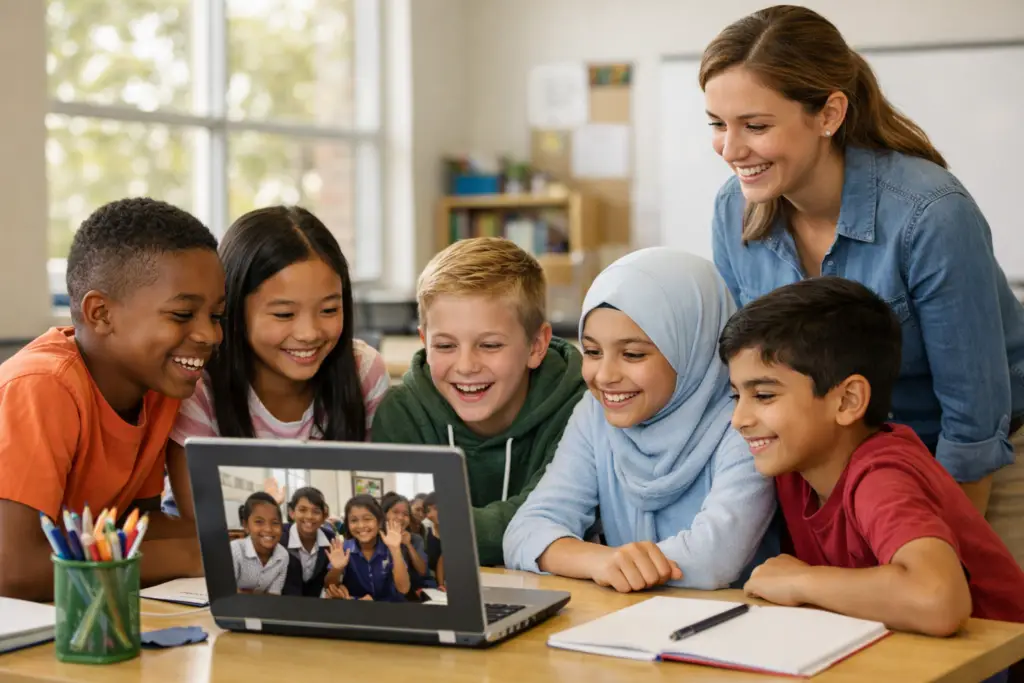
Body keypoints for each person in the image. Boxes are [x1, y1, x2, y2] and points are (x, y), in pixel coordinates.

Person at [701, 5, 1024, 566]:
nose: (730, 150)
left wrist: (942, 561)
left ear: (829, 114)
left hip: (978, 464)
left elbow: (973, 424)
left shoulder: (930, 214)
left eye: (755, 126)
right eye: (716, 124)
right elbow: (751, 373)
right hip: (849, 471)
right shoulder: (734, 212)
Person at [719, 277, 1024, 642]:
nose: (738, 419)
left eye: (764, 395)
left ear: (848, 401)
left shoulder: (881, 474)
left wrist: (801, 580)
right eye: (736, 396)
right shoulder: (795, 465)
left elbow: (938, 600)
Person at [503, 248, 777, 592]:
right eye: (592, 351)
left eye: (632, 354)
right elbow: (525, 532)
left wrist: (603, 562)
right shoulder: (595, 414)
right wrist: (600, 561)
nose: (605, 376)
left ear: (692, 346)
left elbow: (713, 560)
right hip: (631, 615)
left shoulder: (745, 421)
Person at [0, 198, 224, 601]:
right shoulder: (41, 387)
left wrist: (237, 540)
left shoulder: (158, 387)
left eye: (216, 316)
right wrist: (189, 555)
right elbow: (12, 571)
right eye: (181, 315)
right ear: (101, 313)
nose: (210, 335)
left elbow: (132, 525)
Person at [371, 237, 587, 565]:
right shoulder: (400, 413)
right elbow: (399, 526)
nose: (466, 366)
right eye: (445, 346)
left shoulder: (579, 410)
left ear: (536, 346)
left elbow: (553, 517)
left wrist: (438, 527)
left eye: (490, 345)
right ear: (424, 342)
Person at [165, 206, 390, 518]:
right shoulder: (198, 384)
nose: (309, 333)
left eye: (329, 310)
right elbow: (202, 521)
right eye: (284, 314)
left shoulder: (363, 370)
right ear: (232, 308)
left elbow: (374, 495)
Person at [323, 495, 410, 602]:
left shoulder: (390, 546)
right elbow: (329, 586)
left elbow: (404, 589)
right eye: (354, 520)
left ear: (379, 522)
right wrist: (336, 569)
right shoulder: (344, 548)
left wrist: (395, 549)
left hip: (389, 606)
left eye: (367, 519)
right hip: (357, 606)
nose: (361, 525)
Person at [231, 492, 302, 596]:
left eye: (275, 523)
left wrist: (246, 592)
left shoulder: (283, 555)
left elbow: (273, 596)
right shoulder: (235, 550)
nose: (268, 529)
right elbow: (226, 594)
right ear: (246, 525)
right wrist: (261, 594)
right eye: (259, 522)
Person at [282, 486, 335, 597]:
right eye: (302, 510)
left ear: (324, 516)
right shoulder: (280, 535)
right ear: (292, 513)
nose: (309, 516)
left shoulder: (330, 539)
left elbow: (328, 580)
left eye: (316, 511)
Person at [381, 492, 432, 595]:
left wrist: (408, 545)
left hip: (413, 591)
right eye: (395, 512)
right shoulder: (377, 538)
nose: (400, 517)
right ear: (384, 514)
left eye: (405, 514)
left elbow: (422, 571)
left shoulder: (415, 539)